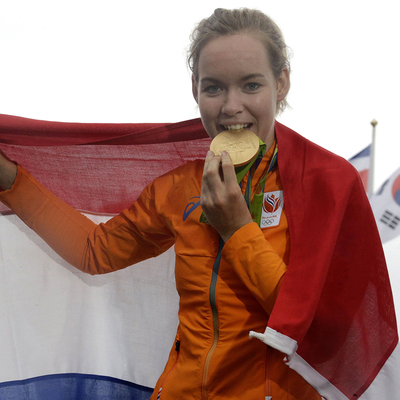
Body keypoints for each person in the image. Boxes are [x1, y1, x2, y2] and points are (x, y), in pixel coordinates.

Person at [0, 8, 397, 400]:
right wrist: (13, 182)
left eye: (251, 85)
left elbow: (321, 329)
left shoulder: (328, 182)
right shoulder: (181, 186)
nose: (231, 106)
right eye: (214, 88)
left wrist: (237, 229)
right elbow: (95, 252)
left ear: (283, 82)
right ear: (195, 90)